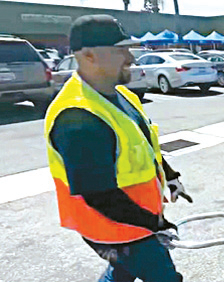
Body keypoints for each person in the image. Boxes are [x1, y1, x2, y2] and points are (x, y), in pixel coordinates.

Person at [44, 14, 192, 282]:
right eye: (120, 50)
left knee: (121, 273)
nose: (131, 58)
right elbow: (98, 194)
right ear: (88, 56)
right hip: (115, 227)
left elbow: (145, 145)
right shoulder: (78, 117)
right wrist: (155, 225)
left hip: (136, 220)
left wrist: (170, 175)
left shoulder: (122, 95)